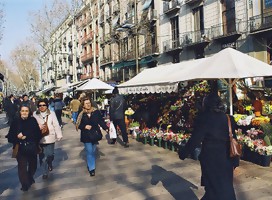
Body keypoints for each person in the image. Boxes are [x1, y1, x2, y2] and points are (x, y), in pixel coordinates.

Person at [179, 93, 238, 200]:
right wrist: (236, 160)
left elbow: (195, 139)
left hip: (211, 160)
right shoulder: (229, 118)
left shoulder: (204, 119)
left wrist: (183, 153)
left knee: (213, 188)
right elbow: (233, 139)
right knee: (224, 186)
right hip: (227, 159)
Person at [6, 105, 42, 191]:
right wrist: (17, 137)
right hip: (20, 148)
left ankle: (29, 177)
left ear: (29, 112)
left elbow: (38, 134)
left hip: (32, 146)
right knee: (22, 167)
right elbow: (10, 137)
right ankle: (24, 184)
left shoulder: (33, 120)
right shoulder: (16, 121)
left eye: (26, 111)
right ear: (20, 112)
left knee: (33, 166)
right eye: (23, 111)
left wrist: (27, 136)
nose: (24, 112)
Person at [76, 97, 109, 176]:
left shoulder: (96, 111)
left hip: (95, 134)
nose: (88, 104)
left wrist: (106, 128)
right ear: (83, 105)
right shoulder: (81, 113)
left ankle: (91, 163)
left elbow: (101, 121)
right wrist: (84, 126)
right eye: (86, 103)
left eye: (89, 103)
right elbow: (77, 124)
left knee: (93, 151)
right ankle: (92, 168)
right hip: (86, 135)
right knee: (89, 151)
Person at [33, 98, 63, 179]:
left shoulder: (52, 113)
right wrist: (37, 127)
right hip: (39, 137)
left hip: (50, 136)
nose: (42, 107)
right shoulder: (34, 114)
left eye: (44, 105)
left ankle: (50, 162)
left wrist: (59, 134)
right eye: (40, 105)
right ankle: (44, 172)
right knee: (42, 156)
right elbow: (31, 125)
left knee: (50, 154)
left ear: (47, 106)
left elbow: (56, 124)